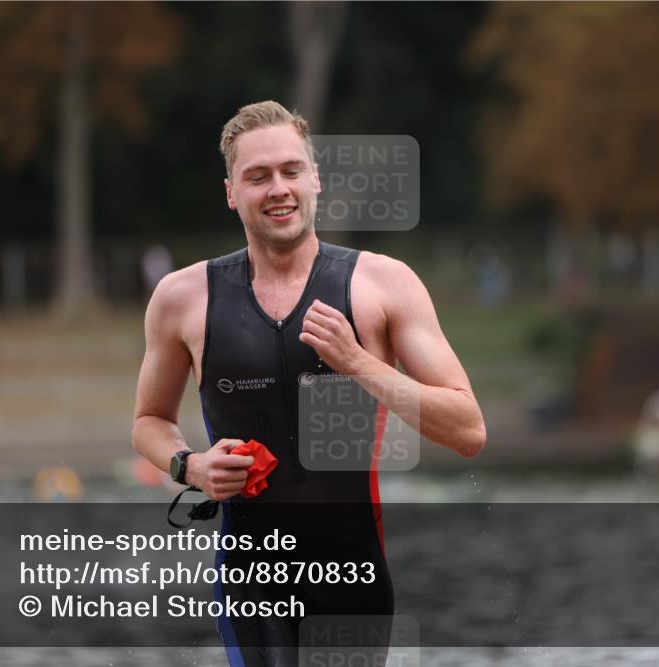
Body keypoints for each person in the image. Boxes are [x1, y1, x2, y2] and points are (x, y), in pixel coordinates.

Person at [132, 100, 486, 666]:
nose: (278, 189)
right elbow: (149, 422)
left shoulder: (383, 285)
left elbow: (468, 429)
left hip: (351, 574)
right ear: (231, 192)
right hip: (250, 574)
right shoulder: (183, 298)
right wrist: (190, 467)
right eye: (258, 176)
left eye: (291, 171)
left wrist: (360, 363)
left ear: (315, 179)